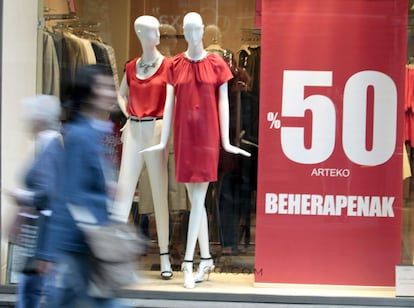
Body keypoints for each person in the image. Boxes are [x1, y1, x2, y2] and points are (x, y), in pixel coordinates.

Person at [142, 12, 250, 289]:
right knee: (195, 201)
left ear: (203, 30)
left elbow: (224, 102)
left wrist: (226, 142)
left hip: (206, 138)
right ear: (184, 32)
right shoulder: (175, 64)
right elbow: (169, 106)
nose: (192, 35)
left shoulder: (216, 64)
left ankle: (188, 264)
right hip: (184, 138)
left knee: (199, 200)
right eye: (187, 30)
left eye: (196, 29)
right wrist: (163, 140)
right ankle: (207, 260)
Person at [44, 64, 127, 307]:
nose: (111, 93)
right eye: (103, 87)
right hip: (82, 241)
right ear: (88, 93)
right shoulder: (80, 134)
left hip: (84, 242)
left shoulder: (91, 132)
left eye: (111, 87)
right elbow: (69, 193)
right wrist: (47, 251)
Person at [110, 15, 173, 280]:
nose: (157, 35)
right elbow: (120, 93)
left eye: (157, 30)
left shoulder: (168, 66)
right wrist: (127, 114)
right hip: (134, 129)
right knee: (123, 192)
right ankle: (112, 257)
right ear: (140, 34)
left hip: (156, 129)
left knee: (159, 192)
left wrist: (165, 133)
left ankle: (164, 256)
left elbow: (171, 102)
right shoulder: (132, 66)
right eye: (152, 31)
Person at [4, 95, 63, 308]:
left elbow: (47, 195)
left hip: (40, 238)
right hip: (38, 239)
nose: (25, 122)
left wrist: (20, 195)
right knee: (34, 293)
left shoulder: (49, 147)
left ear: (39, 120)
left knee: (34, 294)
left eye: (29, 117)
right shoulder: (47, 144)